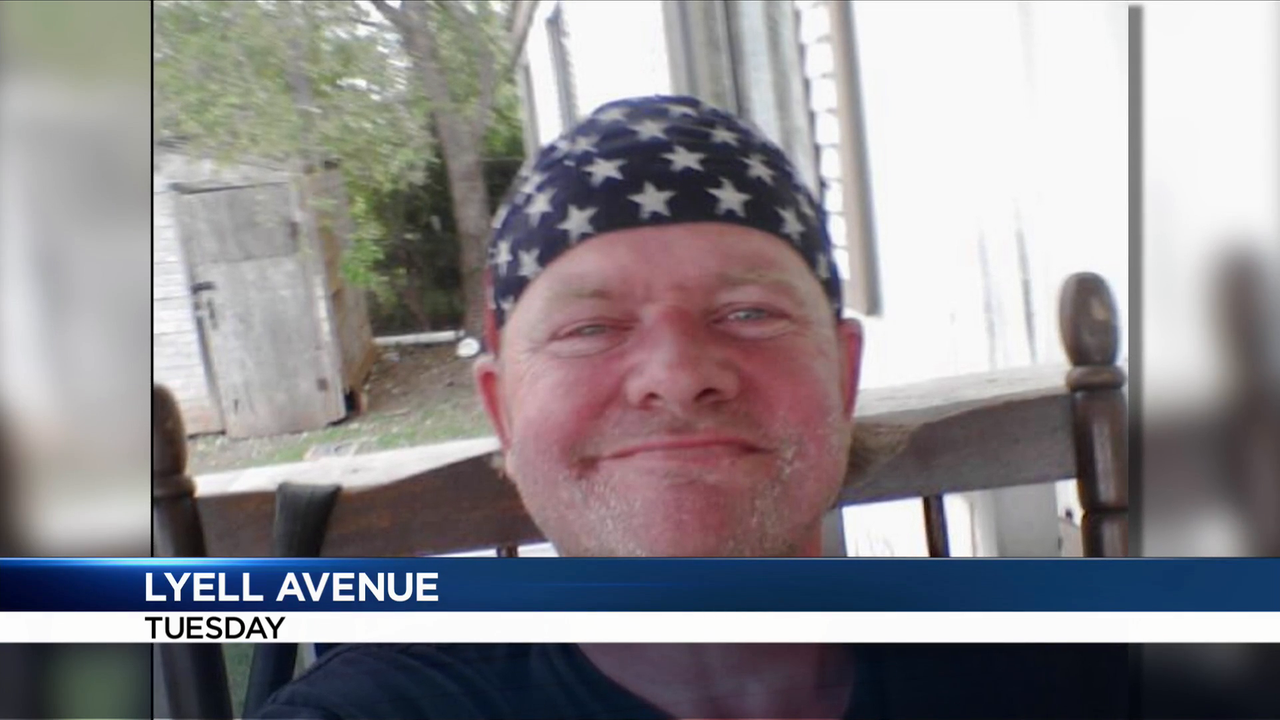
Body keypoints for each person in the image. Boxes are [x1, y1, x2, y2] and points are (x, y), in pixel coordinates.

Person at [255, 95, 1127, 719]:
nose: (677, 375)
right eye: (590, 328)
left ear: (842, 376)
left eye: (749, 313)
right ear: (503, 412)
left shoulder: (1071, 667)